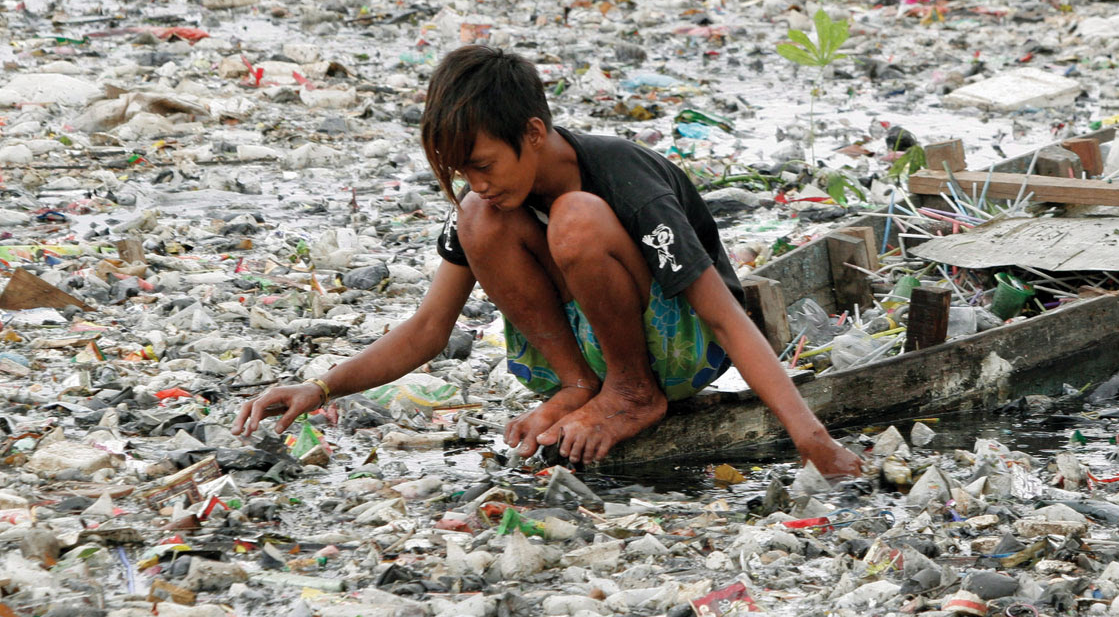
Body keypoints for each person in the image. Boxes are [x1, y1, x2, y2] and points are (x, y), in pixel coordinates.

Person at [233, 45, 863, 476]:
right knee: (476, 219)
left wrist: (812, 438)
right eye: (463, 171)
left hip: (683, 350)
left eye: (484, 165)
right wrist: (320, 387)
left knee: (576, 217)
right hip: (586, 356)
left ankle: (631, 393)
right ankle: (580, 386)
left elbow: (725, 316)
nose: (477, 183)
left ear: (533, 134)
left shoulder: (624, 179)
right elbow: (429, 328)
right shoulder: (487, 201)